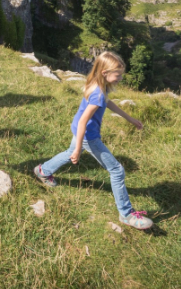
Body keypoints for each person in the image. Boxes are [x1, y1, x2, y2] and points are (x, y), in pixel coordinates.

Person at [33, 51, 153, 230]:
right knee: (117, 171)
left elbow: (107, 103)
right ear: (105, 73)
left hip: (82, 131)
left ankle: (43, 170)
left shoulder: (97, 85)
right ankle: (126, 214)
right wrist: (79, 147)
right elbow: (84, 122)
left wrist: (129, 118)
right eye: (118, 75)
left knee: (69, 153)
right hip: (89, 135)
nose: (120, 78)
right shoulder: (97, 93)